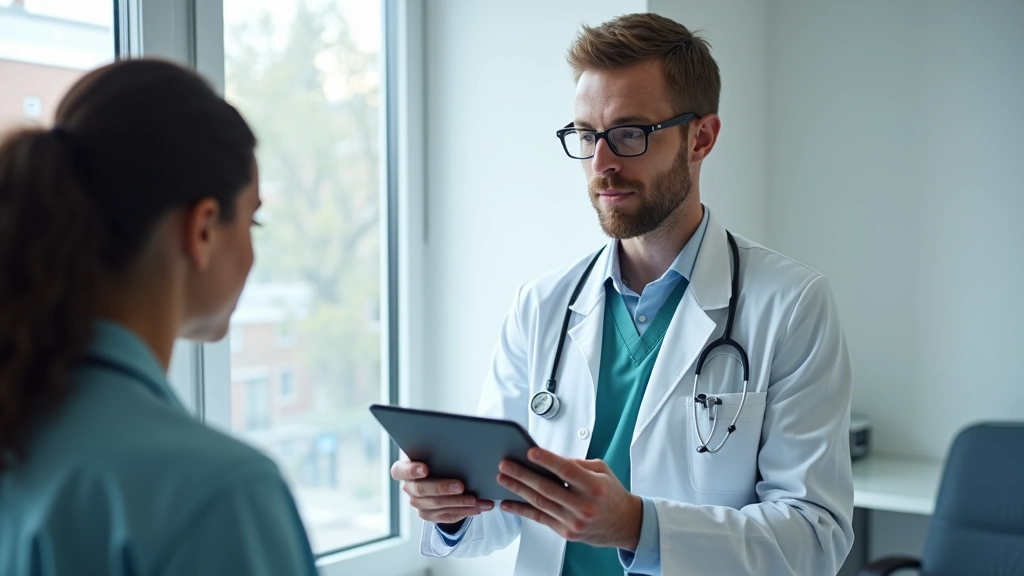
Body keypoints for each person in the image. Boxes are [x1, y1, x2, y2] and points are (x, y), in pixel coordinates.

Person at [392, 13, 854, 576]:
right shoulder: (541, 307)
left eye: (630, 133)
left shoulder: (791, 305)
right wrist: (452, 510)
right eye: (586, 135)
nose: (601, 164)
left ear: (701, 138)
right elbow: (505, 506)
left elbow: (814, 537)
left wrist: (639, 526)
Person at [0, 59, 318, 575]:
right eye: (253, 219)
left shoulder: (21, 428)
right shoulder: (221, 493)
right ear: (204, 230)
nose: (254, 253)